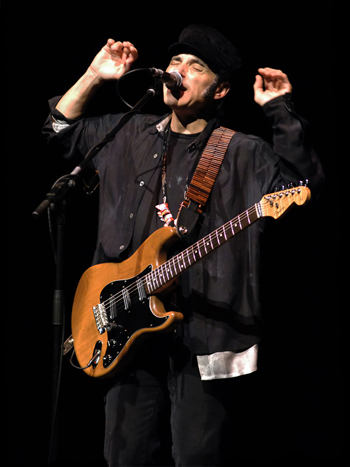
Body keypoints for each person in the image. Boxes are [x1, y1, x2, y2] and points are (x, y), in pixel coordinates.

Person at [43, 25, 324, 466]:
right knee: (123, 455)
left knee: (196, 455)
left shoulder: (241, 152)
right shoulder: (128, 133)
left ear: (220, 89)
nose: (179, 71)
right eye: (175, 62)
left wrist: (279, 111)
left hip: (203, 332)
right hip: (123, 325)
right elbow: (59, 128)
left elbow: (302, 186)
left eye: (195, 67)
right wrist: (95, 75)